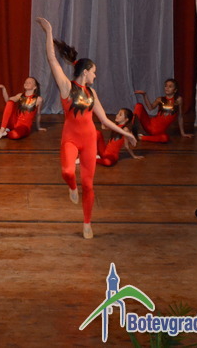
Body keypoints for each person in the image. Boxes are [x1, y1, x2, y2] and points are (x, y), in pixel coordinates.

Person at [36, 17, 136, 239]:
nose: (95, 75)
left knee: (89, 185)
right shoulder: (66, 86)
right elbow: (51, 58)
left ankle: (87, 223)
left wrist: (126, 133)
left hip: (90, 140)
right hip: (70, 139)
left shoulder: (92, 93)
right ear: (86, 71)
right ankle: (72, 187)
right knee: (67, 172)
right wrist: (49, 32)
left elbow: (105, 121)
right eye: (94, 71)